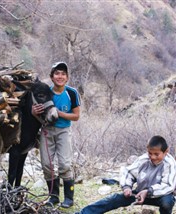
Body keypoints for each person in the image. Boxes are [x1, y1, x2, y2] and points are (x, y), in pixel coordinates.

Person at [75, 135, 176, 214]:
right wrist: (127, 187)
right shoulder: (143, 159)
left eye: (156, 154)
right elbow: (129, 172)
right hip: (139, 194)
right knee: (114, 199)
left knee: (167, 202)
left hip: (160, 196)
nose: (152, 157)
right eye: (150, 153)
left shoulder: (170, 164)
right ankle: (84, 213)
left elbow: (168, 185)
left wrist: (148, 191)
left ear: (166, 152)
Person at [32, 61, 81, 208]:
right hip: (46, 131)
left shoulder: (71, 93)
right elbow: (37, 111)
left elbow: (76, 116)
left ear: (67, 77)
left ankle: (69, 198)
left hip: (64, 131)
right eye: (57, 73)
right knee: (47, 165)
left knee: (65, 164)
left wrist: (59, 114)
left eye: (63, 74)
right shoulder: (46, 91)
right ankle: (53, 197)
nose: (60, 76)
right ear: (52, 76)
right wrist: (33, 113)